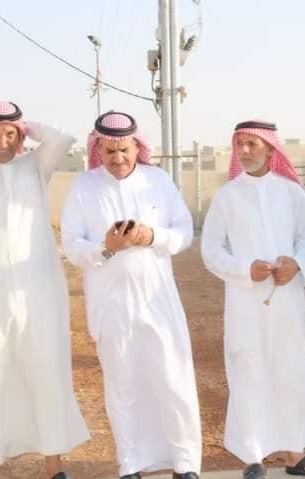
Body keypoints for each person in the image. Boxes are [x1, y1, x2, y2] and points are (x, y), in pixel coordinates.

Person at [60, 112, 201, 479]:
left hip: (158, 299)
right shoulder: (84, 186)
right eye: (109, 151)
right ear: (98, 150)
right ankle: (131, 464)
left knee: (173, 379)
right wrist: (106, 248)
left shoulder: (159, 180)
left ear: (138, 147)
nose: (118, 158)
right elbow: (72, 246)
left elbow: (184, 231)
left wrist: (151, 236)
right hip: (110, 303)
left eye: (124, 149)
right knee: (123, 384)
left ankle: (185, 463)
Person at [201, 120, 305, 479]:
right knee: (248, 371)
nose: (245, 151)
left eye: (253, 144)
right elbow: (211, 250)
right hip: (244, 303)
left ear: (270, 149)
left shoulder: (292, 194)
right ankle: (253, 458)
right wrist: (244, 269)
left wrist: (298, 264)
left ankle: (296, 456)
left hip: (287, 301)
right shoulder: (227, 197)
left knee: (291, 371)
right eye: (240, 144)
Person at [0, 101, 90, 479]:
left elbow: (61, 139)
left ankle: (54, 465)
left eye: (10, 134)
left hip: (38, 290)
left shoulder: (34, 167)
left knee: (46, 372)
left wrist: (23, 125)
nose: (2, 142)